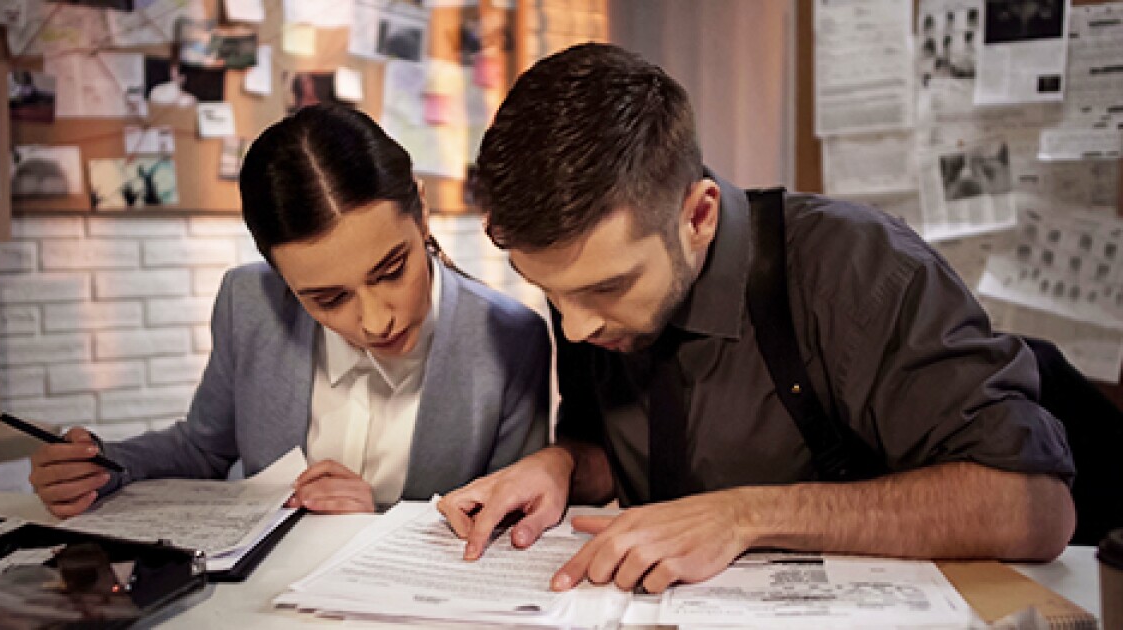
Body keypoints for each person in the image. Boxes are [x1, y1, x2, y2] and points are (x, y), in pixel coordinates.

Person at [438, 44, 1075, 594]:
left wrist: (744, 516)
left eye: (609, 286)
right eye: (548, 291)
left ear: (699, 216)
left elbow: (1034, 507)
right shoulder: (586, 300)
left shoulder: (856, 269)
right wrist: (564, 465)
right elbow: (613, 444)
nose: (576, 328)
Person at [28, 104, 551, 517]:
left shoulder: (509, 338)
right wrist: (102, 464)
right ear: (282, 278)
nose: (375, 321)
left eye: (391, 270)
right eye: (328, 299)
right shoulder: (249, 303)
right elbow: (204, 449)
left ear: (421, 213)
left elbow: (508, 520)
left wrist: (380, 517)